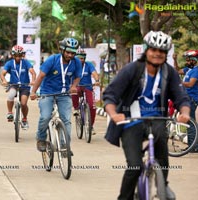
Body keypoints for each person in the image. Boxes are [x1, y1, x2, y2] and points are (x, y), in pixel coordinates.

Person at [103, 31, 190, 200]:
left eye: (162, 51)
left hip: (157, 119)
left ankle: (162, 185)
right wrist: (114, 114)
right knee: (135, 166)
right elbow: (111, 94)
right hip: (131, 121)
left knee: (162, 155)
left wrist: (185, 113)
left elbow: (181, 97)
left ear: (166, 54)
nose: (158, 53)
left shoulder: (168, 72)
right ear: (146, 50)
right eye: (154, 49)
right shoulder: (132, 70)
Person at [30, 37, 82, 153]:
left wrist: (73, 86)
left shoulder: (76, 62)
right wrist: (33, 92)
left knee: (66, 120)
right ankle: (41, 139)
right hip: (47, 93)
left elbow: (78, 76)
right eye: (68, 52)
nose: (70, 55)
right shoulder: (52, 60)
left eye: (73, 53)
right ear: (62, 50)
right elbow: (41, 76)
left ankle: (65, 146)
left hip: (64, 94)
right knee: (45, 116)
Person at [0, 45, 36, 130]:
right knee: (11, 95)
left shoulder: (26, 62)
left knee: (23, 103)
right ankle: (9, 112)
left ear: (22, 55)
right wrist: (4, 80)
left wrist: (33, 80)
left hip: (25, 86)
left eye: (20, 55)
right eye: (16, 55)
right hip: (14, 85)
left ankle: (24, 119)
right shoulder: (9, 63)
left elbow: (33, 72)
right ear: (13, 55)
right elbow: (2, 73)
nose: (18, 57)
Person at [174, 50, 198, 153]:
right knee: (189, 122)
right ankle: (191, 145)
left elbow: (190, 84)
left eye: (189, 60)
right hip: (187, 99)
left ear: (194, 60)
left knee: (191, 123)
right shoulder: (188, 70)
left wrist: (178, 82)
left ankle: (193, 147)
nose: (187, 62)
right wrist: (174, 60)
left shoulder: (196, 70)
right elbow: (177, 70)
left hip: (192, 99)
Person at [71, 48, 100, 135]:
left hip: (88, 87)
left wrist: (97, 80)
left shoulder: (89, 65)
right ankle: (76, 108)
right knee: (74, 90)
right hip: (77, 86)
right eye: (79, 58)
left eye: (83, 58)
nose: (81, 60)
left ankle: (90, 126)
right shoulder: (72, 66)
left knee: (92, 106)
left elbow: (94, 73)